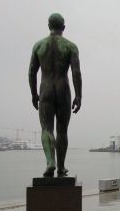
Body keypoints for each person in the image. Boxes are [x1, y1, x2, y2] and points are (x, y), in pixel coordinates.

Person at [28, 13, 82, 177]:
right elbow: (76, 73)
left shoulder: (38, 46)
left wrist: (34, 93)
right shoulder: (71, 46)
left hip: (46, 89)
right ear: (63, 28)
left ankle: (50, 161)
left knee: (46, 129)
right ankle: (61, 167)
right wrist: (78, 96)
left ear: (48, 26)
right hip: (63, 88)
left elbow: (31, 72)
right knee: (63, 131)